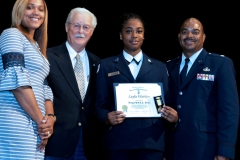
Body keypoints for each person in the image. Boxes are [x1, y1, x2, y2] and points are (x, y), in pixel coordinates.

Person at [95, 13, 178, 160]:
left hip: (151, 143)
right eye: (128, 31)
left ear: (144, 35)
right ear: (121, 35)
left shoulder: (160, 68)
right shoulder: (106, 66)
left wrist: (172, 117)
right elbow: (98, 106)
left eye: (139, 31)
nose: (134, 35)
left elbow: (166, 105)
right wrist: (106, 118)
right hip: (118, 143)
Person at [164, 17, 239, 160]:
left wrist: (224, 150)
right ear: (179, 37)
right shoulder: (168, 66)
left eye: (195, 32)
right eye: (185, 32)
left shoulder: (220, 64)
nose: (189, 36)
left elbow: (229, 111)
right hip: (174, 147)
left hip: (205, 148)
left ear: (203, 37)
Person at [45, 7, 102, 160]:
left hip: (89, 144)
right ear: (66, 27)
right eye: (76, 25)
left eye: (86, 27)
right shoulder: (48, 57)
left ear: (92, 31)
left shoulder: (98, 63)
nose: (81, 31)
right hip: (56, 143)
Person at [0, 0, 54, 159]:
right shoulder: (11, 34)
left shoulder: (36, 46)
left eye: (40, 9)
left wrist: (50, 119)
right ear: (19, 11)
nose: (36, 12)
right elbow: (18, 83)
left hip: (35, 125)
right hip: (16, 120)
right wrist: (41, 123)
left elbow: (44, 87)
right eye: (29, 7)